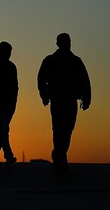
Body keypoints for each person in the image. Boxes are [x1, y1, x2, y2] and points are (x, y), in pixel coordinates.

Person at [37, 33, 91, 169]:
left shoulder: (76, 61)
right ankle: (60, 156)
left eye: (68, 41)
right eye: (64, 41)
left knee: (68, 128)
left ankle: (59, 153)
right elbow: (41, 79)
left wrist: (87, 97)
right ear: (58, 43)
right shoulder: (50, 60)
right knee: (58, 128)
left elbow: (85, 80)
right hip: (57, 100)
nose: (67, 44)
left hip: (71, 99)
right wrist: (44, 95)